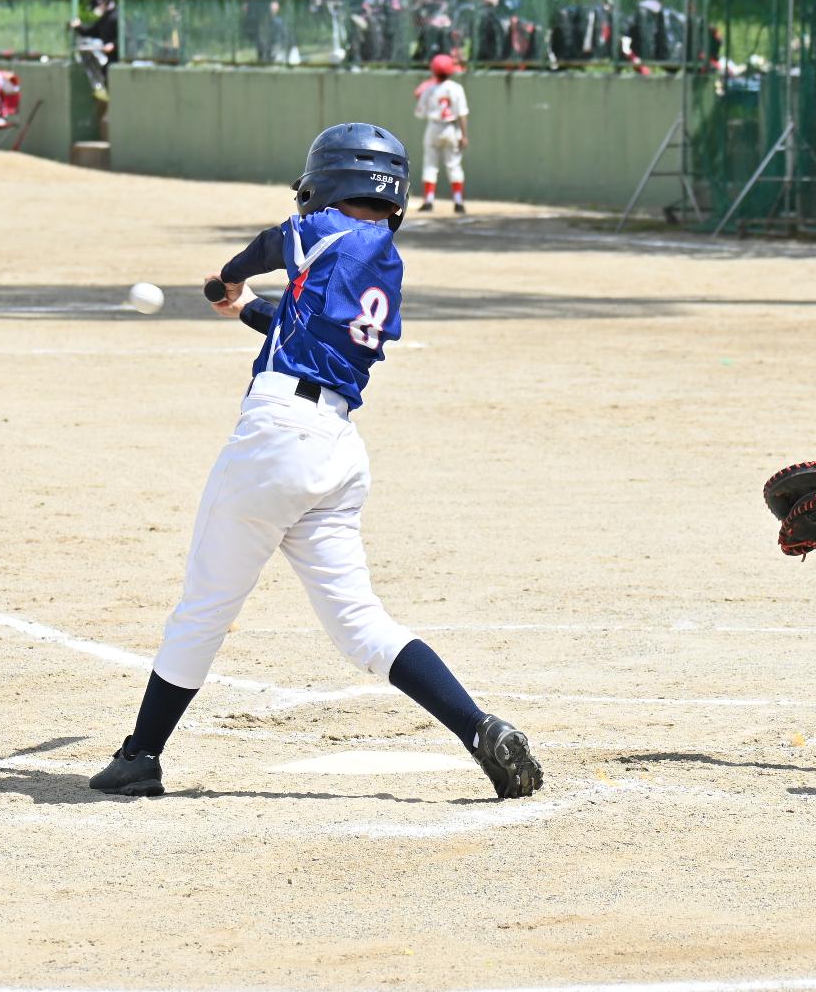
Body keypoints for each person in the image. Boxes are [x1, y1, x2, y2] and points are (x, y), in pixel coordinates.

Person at [87, 123, 544, 802]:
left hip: (276, 439)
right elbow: (305, 330)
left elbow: (275, 242)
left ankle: (141, 754)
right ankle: (479, 727)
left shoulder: (321, 227)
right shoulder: (380, 256)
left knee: (203, 609)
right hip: (335, 449)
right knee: (362, 625)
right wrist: (244, 309)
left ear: (327, 183)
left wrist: (229, 274)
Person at [412, 52, 469, 214]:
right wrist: (464, 135)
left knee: (430, 164)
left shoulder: (429, 89)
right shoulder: (456, 88)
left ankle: (429, 201)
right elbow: (462, 114)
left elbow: (420, 112)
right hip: (451, 127)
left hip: (434, 127)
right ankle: (458, 201)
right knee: (454, 164)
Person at [69, 0, 117, 105]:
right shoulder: (105, 19)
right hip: (110, 58)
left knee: (108, 72)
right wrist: (78, 26)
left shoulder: (116, 17)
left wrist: (114, 45)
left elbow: (126, 37)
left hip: (118, 58)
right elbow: (91, 31)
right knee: (104, 70)